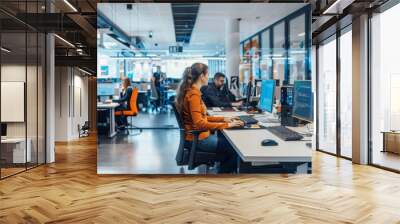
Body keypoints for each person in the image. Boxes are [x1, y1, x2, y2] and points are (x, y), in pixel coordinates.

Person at [175, 63, 244, 173]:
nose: (209, 77)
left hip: (198, 137)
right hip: (199, 139)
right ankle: (223, 178)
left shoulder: (193, 92)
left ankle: (222, 173)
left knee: (231, 144)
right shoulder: (193, 95)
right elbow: (199, 124)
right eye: (208, 74)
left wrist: (224, 119)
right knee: (236, 149)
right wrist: (227, 125)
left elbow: (203, 118)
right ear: (202, 76)